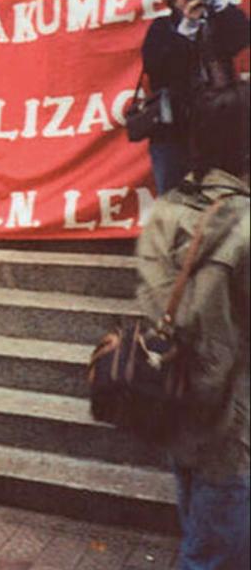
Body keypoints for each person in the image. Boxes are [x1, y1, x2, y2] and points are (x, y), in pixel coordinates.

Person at [135, 80, 249, 568]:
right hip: (229, 427)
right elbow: (221, 343)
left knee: (199, 535)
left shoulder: (166, 211)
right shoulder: (244, 224)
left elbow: (153, 305)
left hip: (175, 409)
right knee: (211, 554)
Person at [140, 0, 249, 194]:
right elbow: (159, 68)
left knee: (228, 193)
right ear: (173, 1)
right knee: (174, 196)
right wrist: (187, 28)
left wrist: (219, 3)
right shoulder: (162, 28)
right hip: (177, 128)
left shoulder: (217, 22)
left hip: (221, 123)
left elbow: (242, 37)